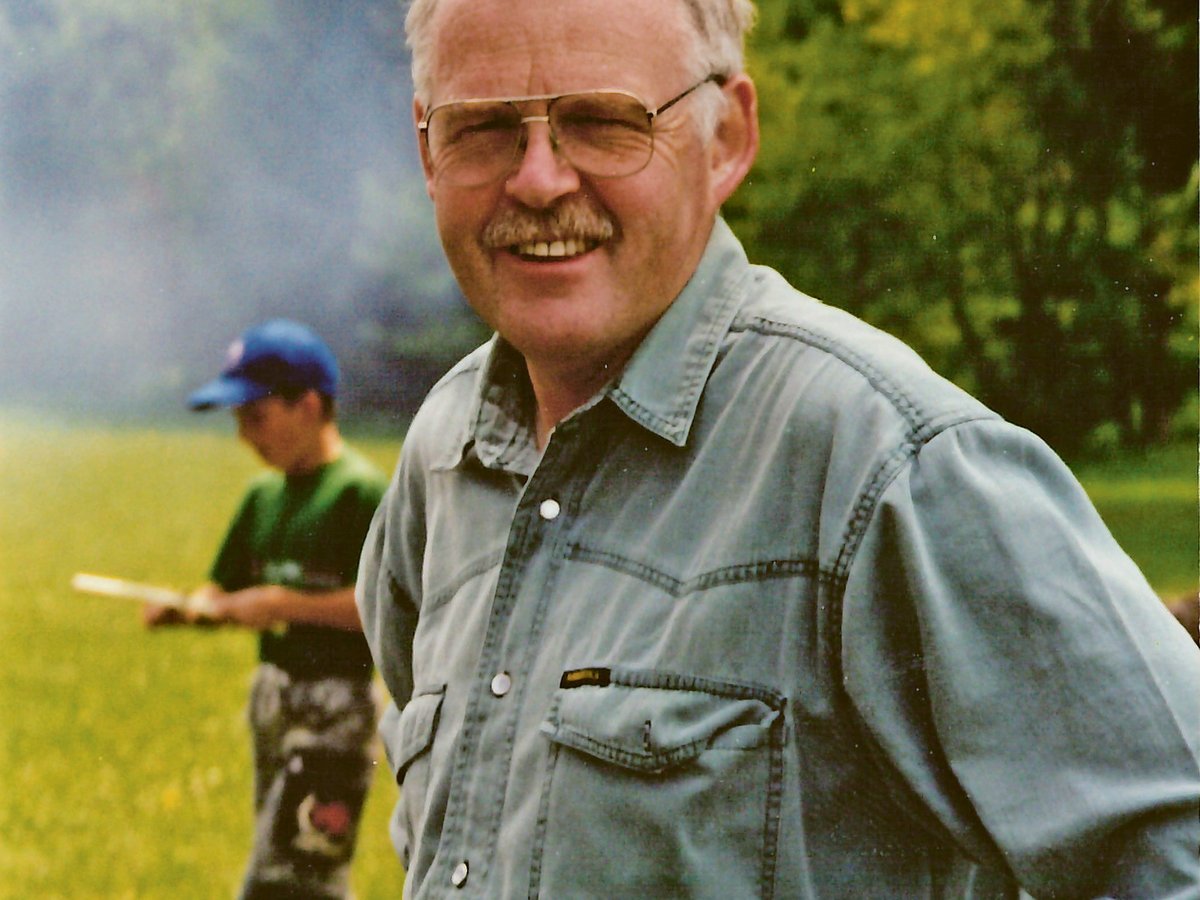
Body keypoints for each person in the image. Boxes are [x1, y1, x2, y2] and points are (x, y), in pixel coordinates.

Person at [357, 0, 1200, 896]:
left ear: (726, 138)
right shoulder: (445, 454)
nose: (536, 180)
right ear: (428, 152)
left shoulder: (886, 461)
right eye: (483, 128)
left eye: (603, 122)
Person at [146, 319, 388, 900]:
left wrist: (283, 604)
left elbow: (386, 606)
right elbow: (222, 590)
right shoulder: (263, 498)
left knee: (288, 877)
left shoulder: (360, 493)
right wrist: (189, 609)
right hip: (273, 701)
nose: (244, 437)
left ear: (309, 406)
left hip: (338, 706)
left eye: (255, 417)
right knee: (302, 871)